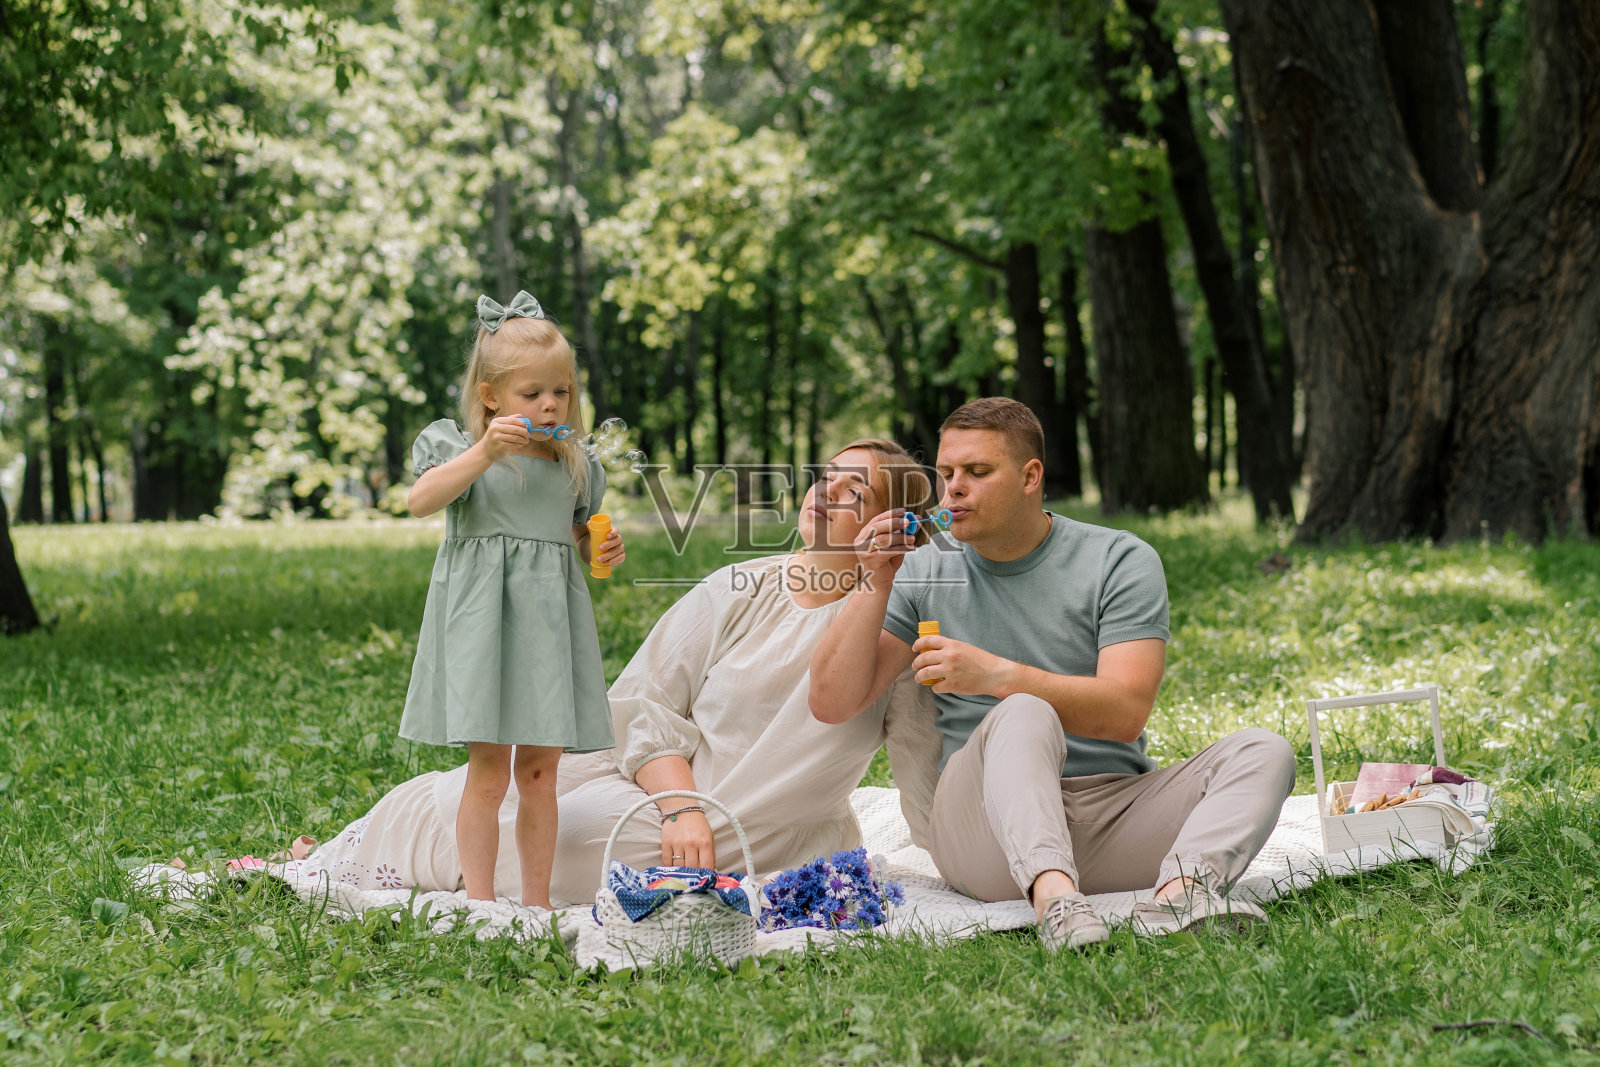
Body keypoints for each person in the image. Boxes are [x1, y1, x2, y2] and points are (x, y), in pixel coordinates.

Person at [253, 438, 943, 912]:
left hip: (763, 834)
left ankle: (345, 861)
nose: (824, 493)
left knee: (570, 840)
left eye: (855, 492)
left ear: (894, 525)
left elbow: (922, 767)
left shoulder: (897, 631)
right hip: (660, 784)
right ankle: (333, 860)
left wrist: (980, 855)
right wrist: (680, 804)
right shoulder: (741, 584)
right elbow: (645, 701)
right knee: (463, 795)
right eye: (825, 477)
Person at [810, 397, 1297, 951]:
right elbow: (832, 701)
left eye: (977, 472)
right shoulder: (925, 569)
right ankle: (1057, 903)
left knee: (1266, 750)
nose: (953, 490)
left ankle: (1180, 898)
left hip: (1113, 812)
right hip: (983, 834)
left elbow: (1125, 712)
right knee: (1023, 710)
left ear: (1030, 476)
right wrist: (874, 579)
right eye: (946, 475)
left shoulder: (1119, 559)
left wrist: (995, 673)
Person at [400, 289, 626, 914]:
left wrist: (595, 549)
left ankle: (535, 903)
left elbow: (577, 532)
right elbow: (421, 501)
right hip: (484, 626)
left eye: (561, 391)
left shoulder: (574, 462)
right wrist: (485, 452)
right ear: (492, 396)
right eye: (533, 394)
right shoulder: (460, 450)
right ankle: (478, 901)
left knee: (540, 774)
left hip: (549, 626)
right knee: (490, 773)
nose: (550, 404)